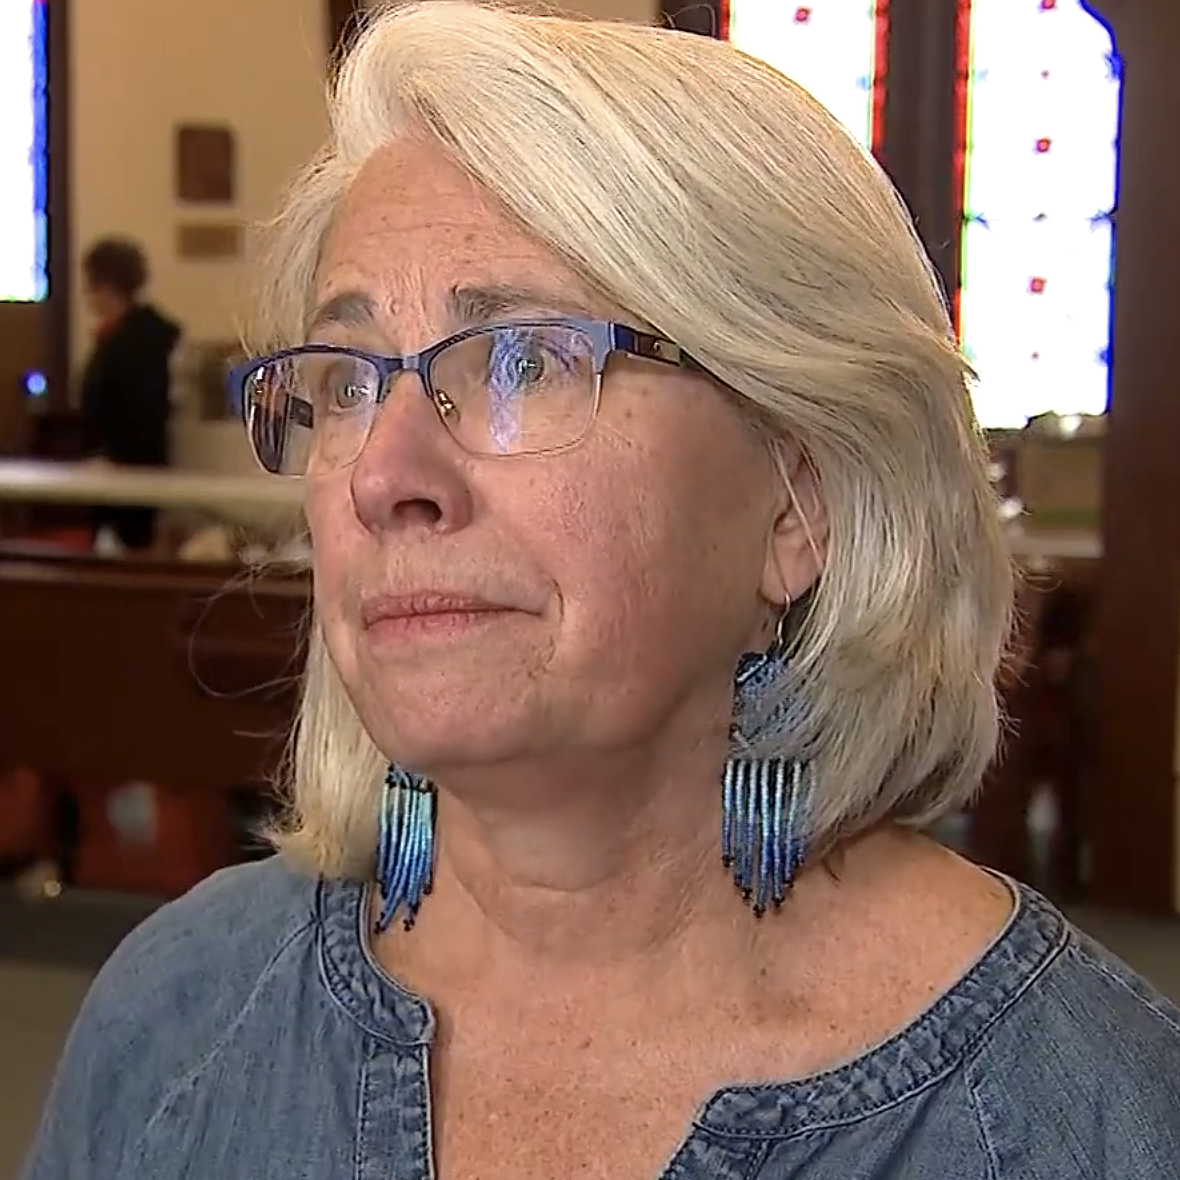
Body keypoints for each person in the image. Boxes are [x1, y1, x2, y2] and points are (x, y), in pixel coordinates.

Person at [22, 5, 1180, 1178]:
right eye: (347, 379)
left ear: (798, 499)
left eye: (525, 360)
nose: (383, 475)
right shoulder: (173, 1023)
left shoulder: (1085, 1122)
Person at [78, 237, 180, 550]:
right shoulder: (121, 336)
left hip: (128, 484)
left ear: (105, 286)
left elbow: (143, 415)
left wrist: (110, 455)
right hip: (111, 476)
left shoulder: (137, 343)